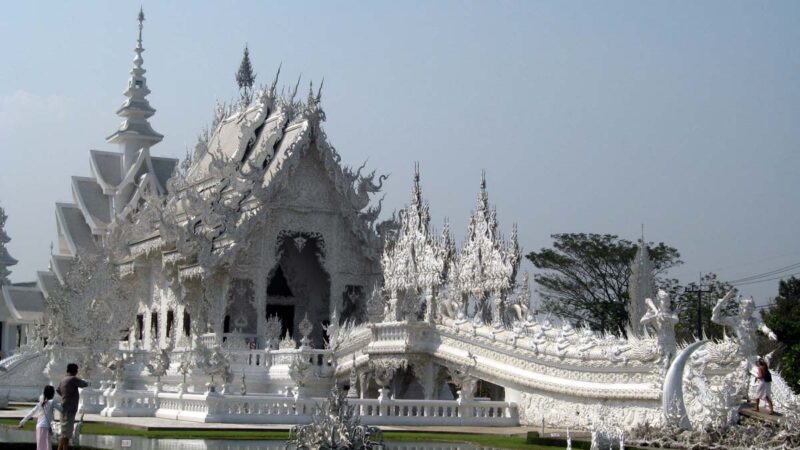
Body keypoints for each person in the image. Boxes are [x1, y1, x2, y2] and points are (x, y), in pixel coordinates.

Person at [18, 385, 63, 450]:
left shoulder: (41, 403)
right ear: (52, 394)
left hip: (39, 426)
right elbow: (62, 409)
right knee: (46, 447)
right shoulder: (52, 402)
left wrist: (22, 422)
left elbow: (32, 412)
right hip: (45, 427)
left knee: (41, 447)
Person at [56, 363, 89, 450]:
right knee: (66, 433)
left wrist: (65, 396)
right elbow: (84, 384)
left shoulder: (63, 379)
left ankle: (63, 448)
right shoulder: (73, 379)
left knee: (65, 432)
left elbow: (58, 390)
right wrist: (88, 381)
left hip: (63, 407)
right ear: (75, 371)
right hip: (70, 409)